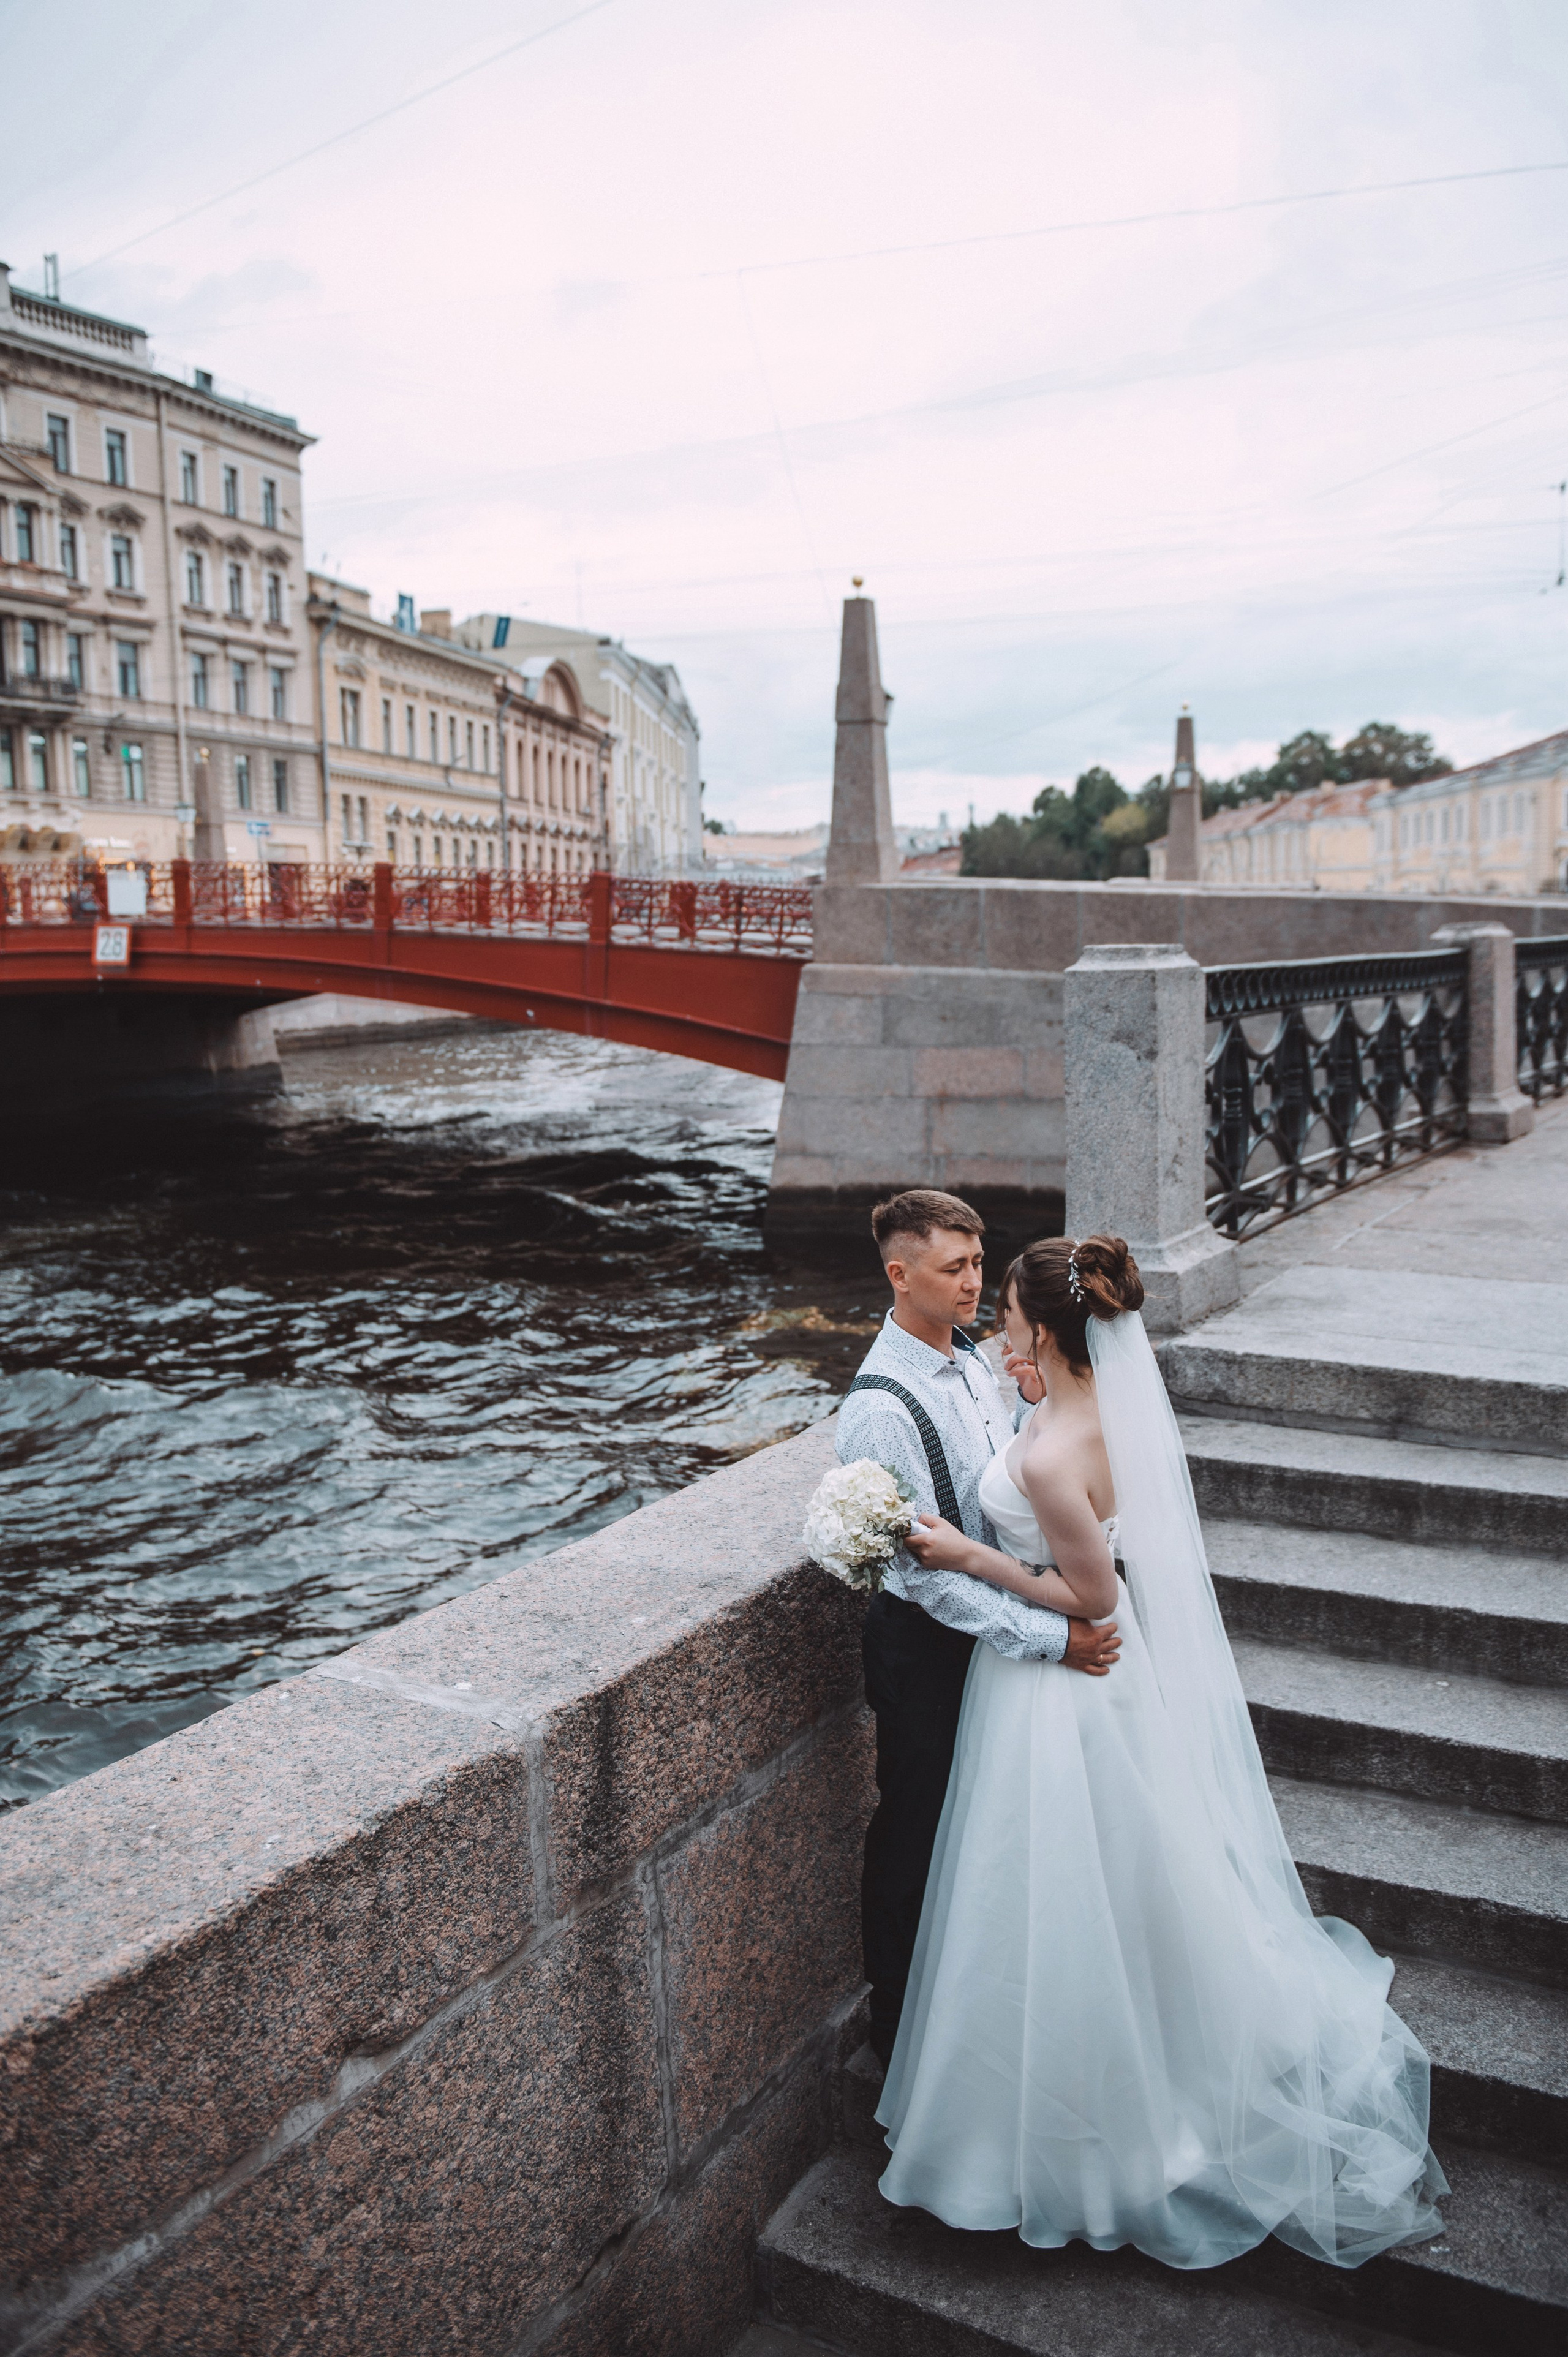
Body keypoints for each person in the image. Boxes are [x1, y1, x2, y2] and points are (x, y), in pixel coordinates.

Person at [880, 1232, 1446, 2271]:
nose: (996, 1323)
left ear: (1043, 1327)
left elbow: (1092, 1598)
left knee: (1057, 1890)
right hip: (1100, 1680)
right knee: (1123, 1881)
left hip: (1066, 1682)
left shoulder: (1053, 1451)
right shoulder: (1079, 1409)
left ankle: (1079, 2134)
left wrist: (969, 1554)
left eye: (1006, 1311)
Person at [835, 1190, 1121, 2072]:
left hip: (1007, 1632)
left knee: (993, 1845)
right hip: (930, 1655)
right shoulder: (882, 1408)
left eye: (976, 1262)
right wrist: (1054, 1637)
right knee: (919, 1841)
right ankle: (905, 2037)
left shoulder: (971, 1357)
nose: (973, 1282)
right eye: (954, 1267)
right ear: (900, 1275)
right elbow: (924, 1579)